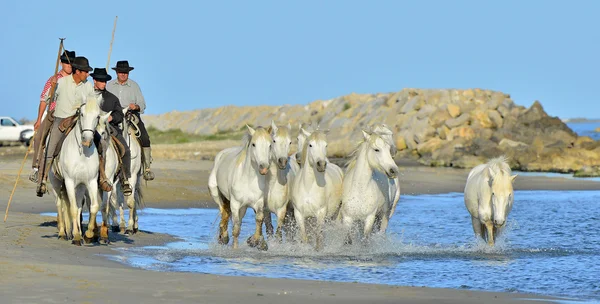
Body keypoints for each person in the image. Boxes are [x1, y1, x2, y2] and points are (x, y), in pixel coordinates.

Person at [36, 56, 95, 197]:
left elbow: (92, 103)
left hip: (79, 120)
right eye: (85, 71)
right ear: (78, 71)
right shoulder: (61, 82)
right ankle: (42, 180)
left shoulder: (87, 85)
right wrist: (53, 87)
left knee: (100, 142)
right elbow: (46, 98)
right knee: (51, 147)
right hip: (61, 119)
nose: (87, 74)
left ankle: (102, 175)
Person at [29, 50, 76, 183]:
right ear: (61, 63)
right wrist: (39, 119)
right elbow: (44, 100)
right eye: (66, 62)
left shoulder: (76, 78)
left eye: (71, 63)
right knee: (39, 137)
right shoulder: (53, 79)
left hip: (71, 113)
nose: (69, 65)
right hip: (54, 112)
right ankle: (36, 167)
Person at [107, 60, 154, 180]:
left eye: (125, 72)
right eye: (121, 72)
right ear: (116, 72)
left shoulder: (134, 86)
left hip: (131, 115)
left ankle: (147, 167)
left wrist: (136, 106)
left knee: (144, 137)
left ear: (128, 73)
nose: (123, 74)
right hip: (113, 115)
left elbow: (142, 104)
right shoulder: (109, 85)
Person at [90, 67, 133, 196]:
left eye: (105, 81)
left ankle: (125, 179)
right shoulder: (87, 95)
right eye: (101, 81)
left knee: (125, 150)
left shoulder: (112, 98)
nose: (103, 83)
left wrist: (111, 117)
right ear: (94, 81)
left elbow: (119, 114)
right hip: (90, 127)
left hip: (110, 128)